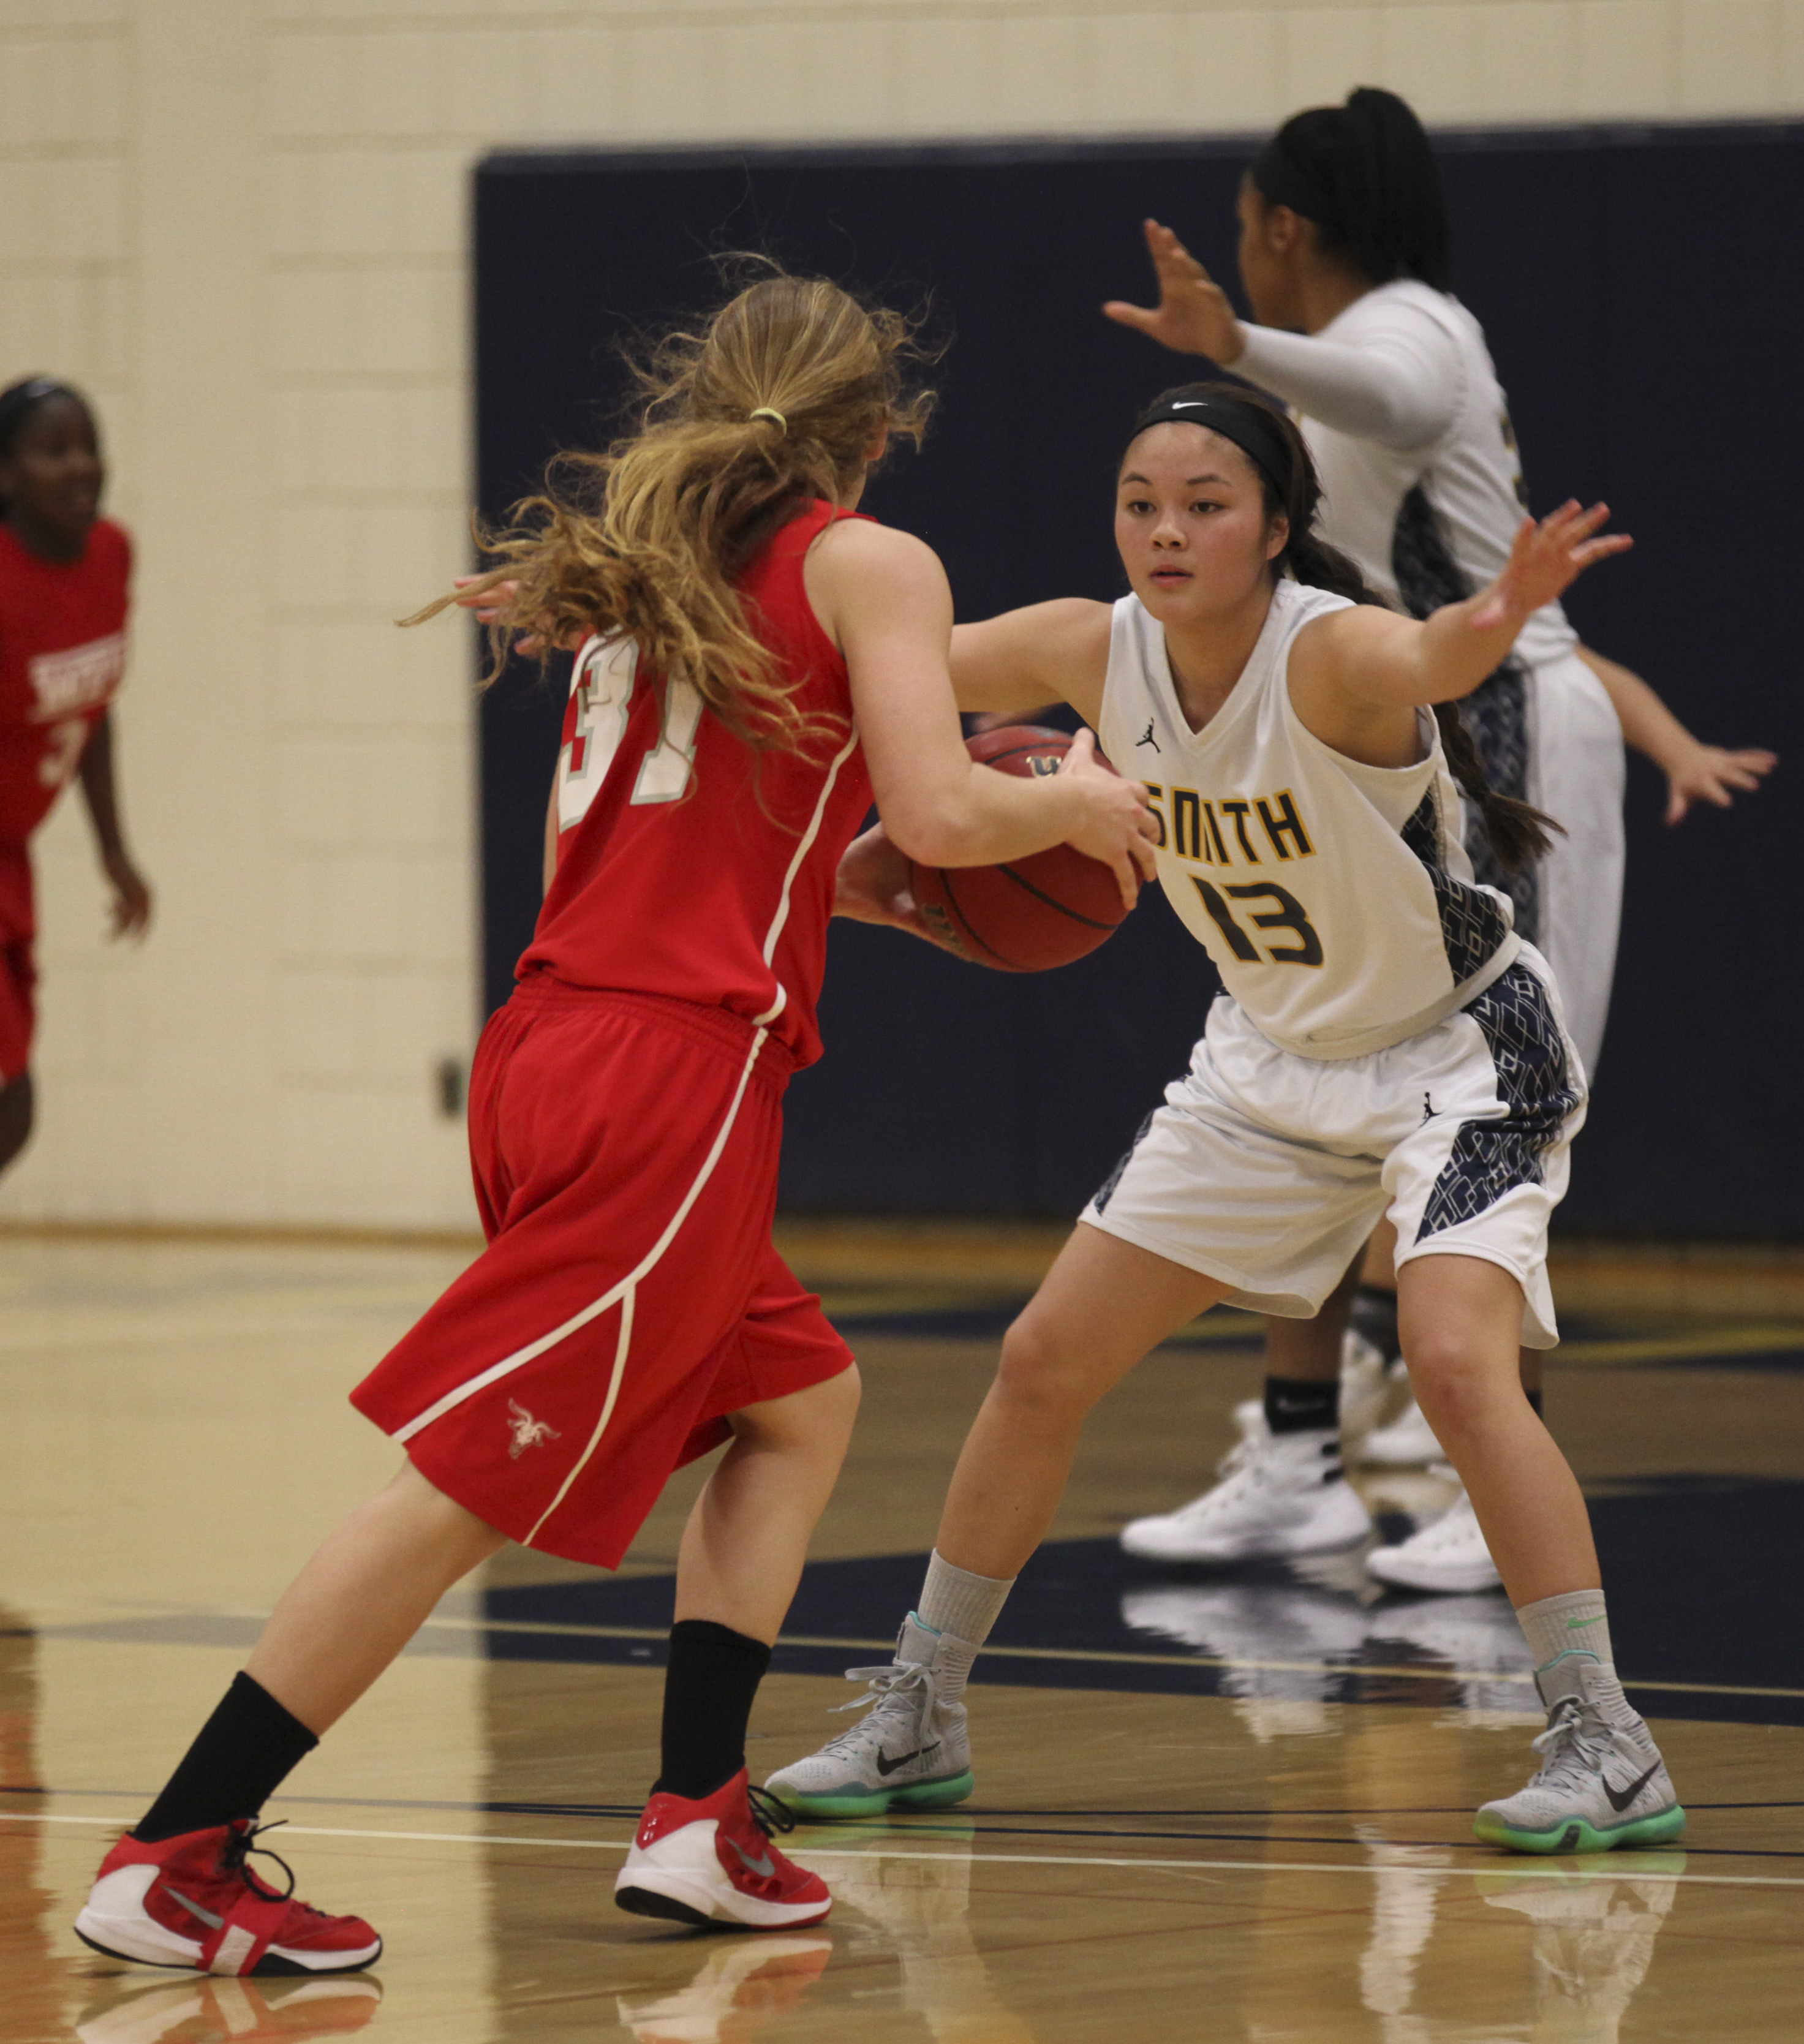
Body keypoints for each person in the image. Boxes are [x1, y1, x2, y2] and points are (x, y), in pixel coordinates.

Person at [70, 273, 1157, 1975]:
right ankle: (181, 1847)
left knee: (801, 1400)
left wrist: (859, 885)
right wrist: (1076, 799)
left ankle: (695, 1817)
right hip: (673, 1080)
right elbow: (943, 810)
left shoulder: (653, 578)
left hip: (551, 1049)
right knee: (460, 1484)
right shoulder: (867, 559)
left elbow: (770, 843)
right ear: (876, 436)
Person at [772, 382, 1686, 1858]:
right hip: (1267, 1062)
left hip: (1455, 1053)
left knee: (1457, 1364)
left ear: (1275, 526)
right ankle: (920, 1705)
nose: (1167, 530)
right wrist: (642, 613)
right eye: (1141, 500)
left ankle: (1606, 1738)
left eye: (1205, 503)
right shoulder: (1092, 645)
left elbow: (1429, 651)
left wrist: (1502, 609)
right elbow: (873, 658)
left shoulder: (1325, 654)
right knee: (1042, 1359)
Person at [1099, 88, 1775, 1591]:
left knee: (1483, 1096)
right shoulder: (1306, 434)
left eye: (1242, 236)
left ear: (1281, 231)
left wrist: (1228, 346)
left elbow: (1406, 419)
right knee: (1304, 1053)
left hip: (1502, 737)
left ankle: (1484, 1461)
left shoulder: (1418, 330)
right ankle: (1297, 1454)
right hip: (1392, 722)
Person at [0, 377, 153, 1175]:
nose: (80, 464)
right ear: (7, 474)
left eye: (87, 444)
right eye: (53, 449)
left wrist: (114, 853)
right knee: (9, 1103)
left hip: (12, 858)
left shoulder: (111, 553)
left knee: (11, 1115)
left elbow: (92, 705)